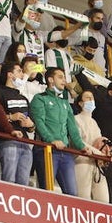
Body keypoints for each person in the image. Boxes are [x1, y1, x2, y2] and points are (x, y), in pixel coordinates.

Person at [31, 66, 86, 195]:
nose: (64, 80)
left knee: (72, 194)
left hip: (66, 152)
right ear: (50, 80)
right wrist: (51, 140)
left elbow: (72, 127)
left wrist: (81, 146)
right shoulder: (39, 98)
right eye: (60, 77)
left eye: (65, 77)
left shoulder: (65, 103)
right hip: (47, 150)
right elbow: (39, 123)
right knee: (47, 192)